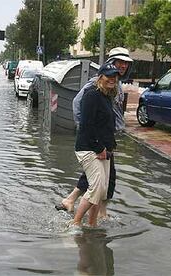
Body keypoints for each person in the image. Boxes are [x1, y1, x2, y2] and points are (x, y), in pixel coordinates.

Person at [56, 47, 133, 218]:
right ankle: (90, 216)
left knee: (100, 178)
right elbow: (78, 103)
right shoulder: (97, 85)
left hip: (106, 138)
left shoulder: (115, 84)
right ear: (110, 63)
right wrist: (85, 130)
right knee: (103, 180)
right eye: (119, 62)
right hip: (96, 140)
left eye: (126, 63)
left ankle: (78, 205)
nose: (123, 66)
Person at [72, 62, 119, 227]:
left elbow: (105, 125)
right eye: (108, 76)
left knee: (103, 190)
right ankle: (75, 223)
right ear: (100, 77)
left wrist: (109, 147)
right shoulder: (92, 95)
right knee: (97, 187)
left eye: (115, 76)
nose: (112, 79)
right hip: (88, 148)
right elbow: (86, 125)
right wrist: (99, 148)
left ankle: (92, 225)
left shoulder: (107, 96)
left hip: (103, 149)